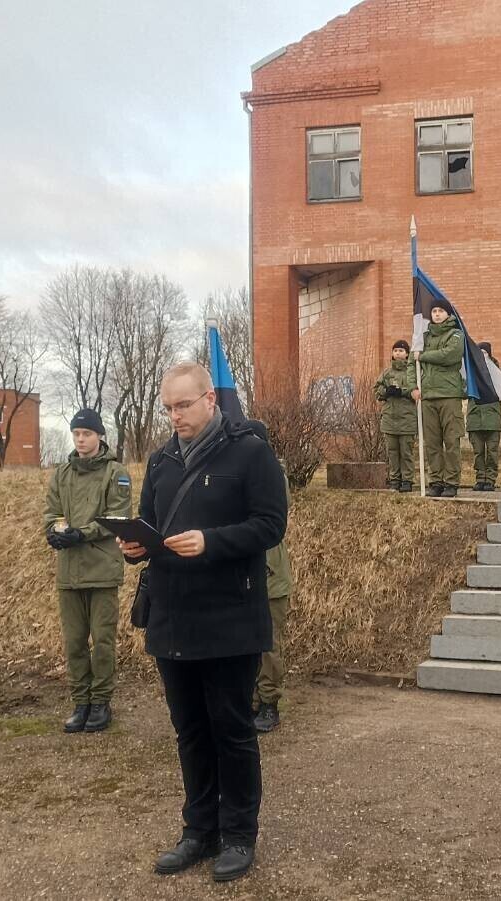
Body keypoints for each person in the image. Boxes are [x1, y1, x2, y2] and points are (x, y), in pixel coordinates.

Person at [121, 362, 288, 884]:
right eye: (168, 408)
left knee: (231, 731)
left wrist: (211, 542)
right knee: (189, 731)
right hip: (172, 616)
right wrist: (133, 546)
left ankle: (238, 835)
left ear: (210, 399)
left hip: (230, 617)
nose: (175, 416)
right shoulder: (161, 460)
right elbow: (150, 526)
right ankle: (199, 831)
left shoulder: (251, 452)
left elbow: (271, 525)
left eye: (183, 405)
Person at [44, 408, 134, 734]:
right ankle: (81, 701)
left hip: (102, 570)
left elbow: (118, 517)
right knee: (74, 643)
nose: (81, 439)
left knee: (103, 641)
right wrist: (54, 532)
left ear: (99, 436)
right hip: (69, 572)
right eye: (77, 434)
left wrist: (82, 534)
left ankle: (101, 702)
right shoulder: (62, 473)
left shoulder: (115, 473)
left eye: (87, 434)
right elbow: (52, 511)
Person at [243, 419, 294, 734]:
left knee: (269, 645)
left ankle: (269, 702)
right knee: (243, 644)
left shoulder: (274, 475)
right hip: (242, 576)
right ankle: (248, 701)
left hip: (271, 574)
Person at [413, 304, 466, 498]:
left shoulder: (456, 334)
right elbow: (412, 363)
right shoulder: (423, 338)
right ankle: (436, 481)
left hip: (449, 395)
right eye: (434, 311)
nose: (436, 314)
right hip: (428, 396)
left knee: (451, 441)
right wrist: (413, 387)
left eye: (440, 311)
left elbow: (449, 355)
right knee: (432, 443)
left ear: (448, 314)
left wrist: (423, 356)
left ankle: (451, 482)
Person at [374, 340, 418, 492]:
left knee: (406, 452)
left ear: (407, 354)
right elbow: (376, 390)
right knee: (392, 452)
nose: (398, 353)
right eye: (395, 350)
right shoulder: (387, 373)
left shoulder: (412, 372)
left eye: (401, 350)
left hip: (407, 419)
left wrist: (403, 392)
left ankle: (407, 480)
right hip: (389, 419)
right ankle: (395, 479)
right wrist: (386, 392)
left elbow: (417, 391)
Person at [466, 341, 501, 493]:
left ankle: (491, 479)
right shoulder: (470, 372)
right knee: (478, 452)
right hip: (475, 417)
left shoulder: (497, 373)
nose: (482, 356)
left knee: (492, 452)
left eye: (485, 353)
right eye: (479, 353)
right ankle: (480, 478)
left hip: (492, 418)